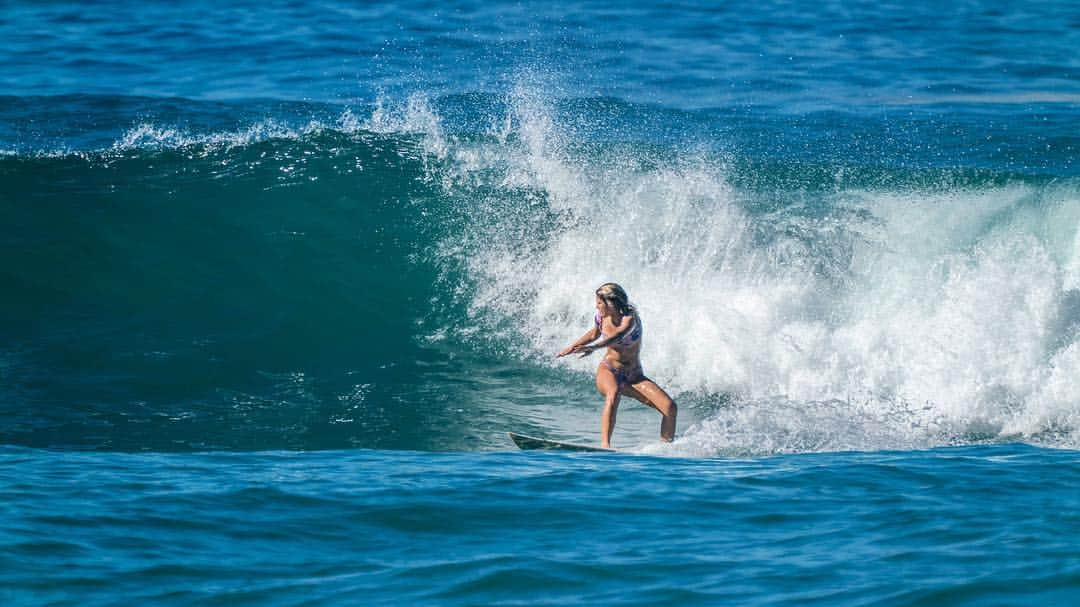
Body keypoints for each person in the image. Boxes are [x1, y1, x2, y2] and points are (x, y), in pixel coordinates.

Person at [556, 283, 677, 448]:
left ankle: (666, 447)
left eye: (599, 302)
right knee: (613, 393)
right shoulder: (600, 317)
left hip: (634, 375)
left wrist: (593, 347)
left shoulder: (630, 318)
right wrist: (573, 346)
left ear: (611, 303)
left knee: (670, 407)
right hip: (609, 369)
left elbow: (618, 335)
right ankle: (605, 446)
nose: (596, 306)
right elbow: (595, 333)